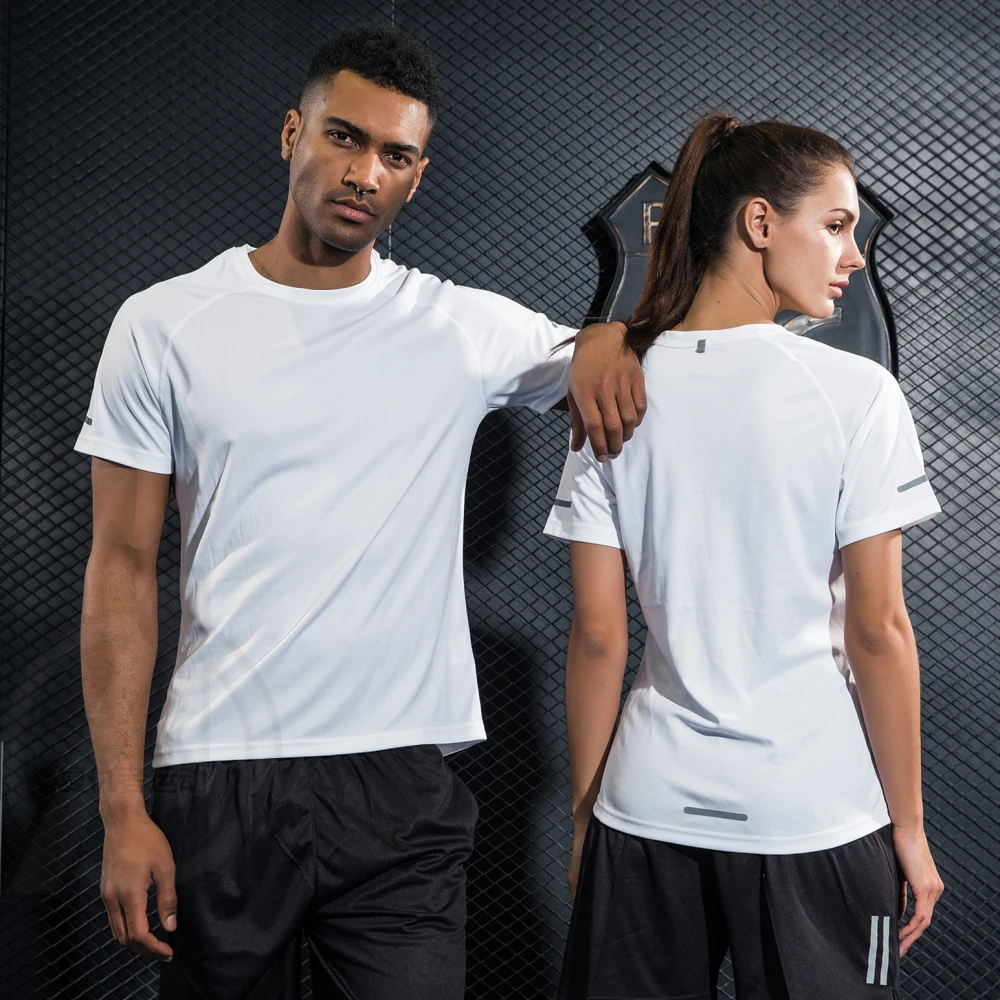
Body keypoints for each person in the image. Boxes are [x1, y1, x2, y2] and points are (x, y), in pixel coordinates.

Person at [76, 23, 645, 1000]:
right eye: (344, 137)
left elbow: (623, 373)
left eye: (395, 155)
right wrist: (122, 808)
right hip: (223, 770)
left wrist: (608, 335)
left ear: (416, 177)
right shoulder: (165, 323)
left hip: (398, 783)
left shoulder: (460, 328)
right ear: (292, 133)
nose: (364, 173)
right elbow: (121, 568)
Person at [544, 112, 944, 999]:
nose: (853, 255)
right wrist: (909, 830)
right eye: (834, 225)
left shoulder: (612, 390)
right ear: (760, 223)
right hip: (814, 812)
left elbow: (599, 635)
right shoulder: (858, 394)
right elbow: (878, 630)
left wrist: (583, 818)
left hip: (644, 806)